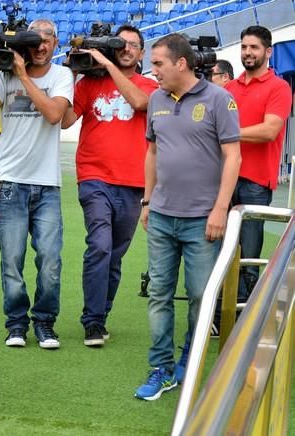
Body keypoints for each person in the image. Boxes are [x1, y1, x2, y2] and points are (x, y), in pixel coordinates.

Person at [134, 33, 241, 401]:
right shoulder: (156, 99)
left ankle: (189, 360)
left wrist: (219, 209)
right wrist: (147, 202)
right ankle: (161, 368)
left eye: (159, 63)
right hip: (162, 215)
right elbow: (152, 153)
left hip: (202, 220)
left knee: (199, 295)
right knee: (159, 294)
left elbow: (233, 157)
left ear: (181, 63)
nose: (154, 70)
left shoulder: (219, 99)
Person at [61, 24, 158, 347]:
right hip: (94, 177)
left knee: (114, 257)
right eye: (122, 44)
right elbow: (64, 121)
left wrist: (109, 67)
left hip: (133, 182)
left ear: (141, 53)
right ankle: (91, 321)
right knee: (100, 246)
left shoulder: (150, 85)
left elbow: (140, 103)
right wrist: (69, 75)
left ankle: (101, 316)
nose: (127, 49)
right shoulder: (89, 84)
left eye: (133, 45)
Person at [0, 18, 73, 349]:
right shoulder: (5, 75)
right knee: (11, 260)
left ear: (56, 43)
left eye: (47, 38)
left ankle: (45, 323)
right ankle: (16, 324)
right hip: (9, 182)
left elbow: (54, 115)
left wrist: (21, 75)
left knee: (50, 260)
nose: (40, 45)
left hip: (47, 184)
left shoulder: (62, 76)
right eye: (34, 39)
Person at [225, 25, 292, 301]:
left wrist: (229, 133)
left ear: (268, 52)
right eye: (243, 47)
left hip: (256, 181)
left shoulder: (279, 87)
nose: (247, 52)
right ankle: (220, 312)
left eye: (253, 47)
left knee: (249, 255)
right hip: (223, 179)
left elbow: (269, 131)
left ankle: (244, 316)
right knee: (221, 250)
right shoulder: (229, 87)